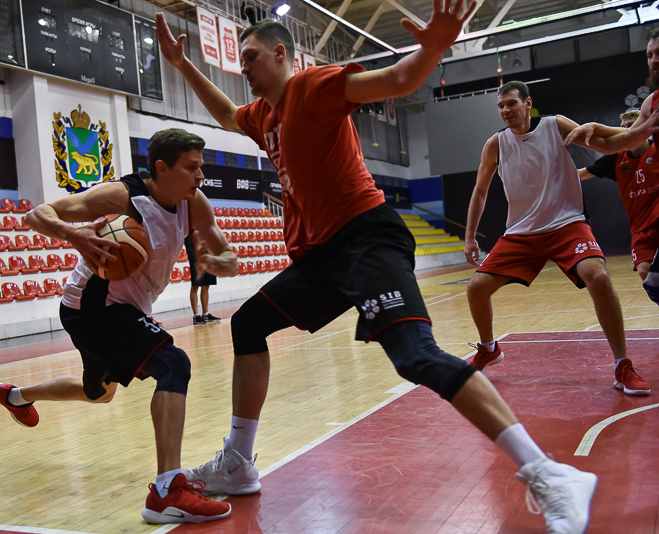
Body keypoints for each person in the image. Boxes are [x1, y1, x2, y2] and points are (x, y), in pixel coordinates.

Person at [157, 3, 600, 531]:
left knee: (416, 356)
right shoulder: (264, 116)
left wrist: (434, 46)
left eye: (250, 57)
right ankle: (238, 461)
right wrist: (182, 65)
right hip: (324, 255)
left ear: (280, 54)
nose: (243, 67)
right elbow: (230, 115)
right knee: (248, 324)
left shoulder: (313, 87)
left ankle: (550, 475)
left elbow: (397, 79)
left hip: (366, 237)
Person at [0, 129, 238, 525]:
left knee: (99, 393)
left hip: (122, 307)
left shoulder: (194, 203)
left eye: (200, 167)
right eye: (192, 167)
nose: (200, 175)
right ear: (162, 168)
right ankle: (166, 491)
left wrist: (221, 262)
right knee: (173, 364)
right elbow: (37, 214)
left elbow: (226, 252)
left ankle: (15, 396)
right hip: (93, 305)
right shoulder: (123, 197)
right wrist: (73, 234)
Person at [464, 81, 654, 398]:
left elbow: (609, 145)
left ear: (528, 103)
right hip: (521, 231)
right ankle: (489, 349)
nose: (505, 110)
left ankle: (623, 364)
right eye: (500, 106)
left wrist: (644, 129)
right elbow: (480, 191)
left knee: (598, 276)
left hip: (566, 223)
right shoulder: (495, 144)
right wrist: (470, 236)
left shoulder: (556, 125)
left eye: (511, 103)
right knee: (476, 288)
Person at [577, 109, 657, 281]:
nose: (626, 132)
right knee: (645, 272)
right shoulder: (616, 159)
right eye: (623, 127)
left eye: (631, 126)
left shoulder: (656, 149)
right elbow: (580, 175)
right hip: (640, 230)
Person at [185, 229, 220, 325]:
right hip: (198, 262)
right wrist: (194, 261)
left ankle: (205, 313)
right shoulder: (190, 231)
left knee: (206, 286)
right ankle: (196, 315)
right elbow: (188, 245)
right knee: (195, 287)